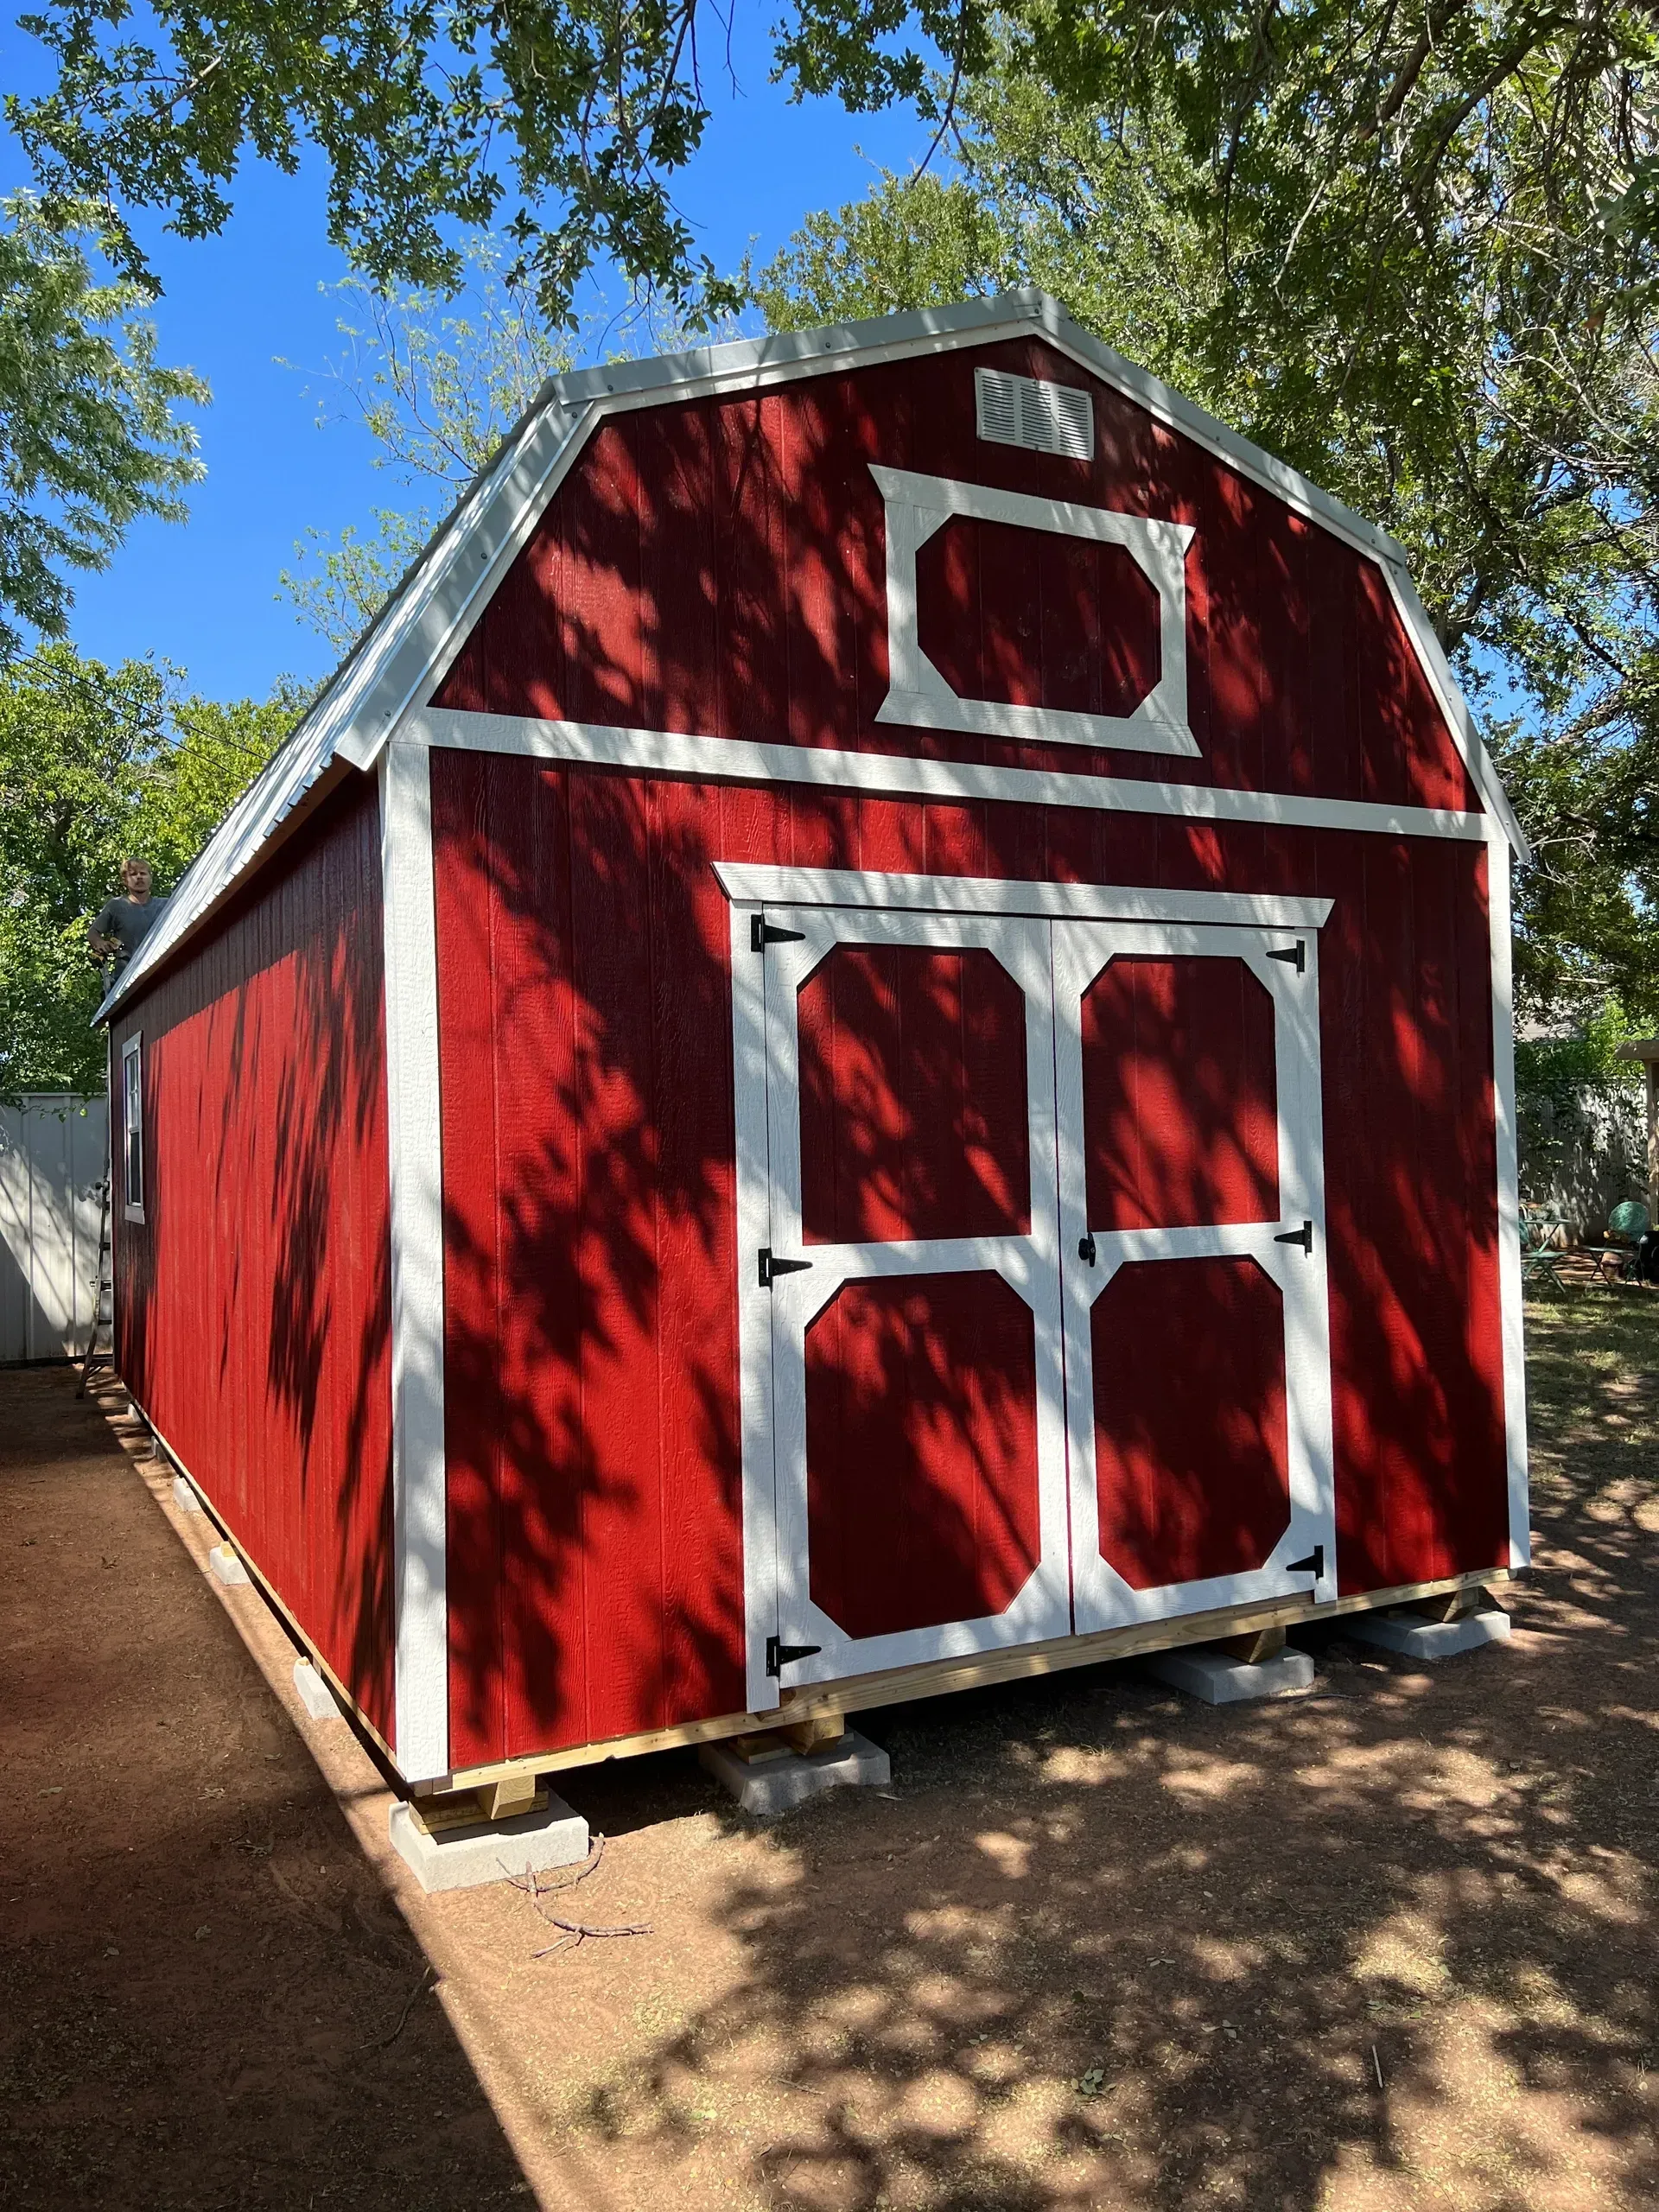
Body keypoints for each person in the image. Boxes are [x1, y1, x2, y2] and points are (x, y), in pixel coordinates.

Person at [88, 857, 168, 974]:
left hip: (162, 970)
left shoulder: (166, 905)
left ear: (150, 878)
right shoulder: (116, 906)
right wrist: (100, 943)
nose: (139, 877)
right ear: (125, 880)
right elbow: (92, 933)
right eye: (133, 874)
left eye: (143, 873)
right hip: (126, 975)